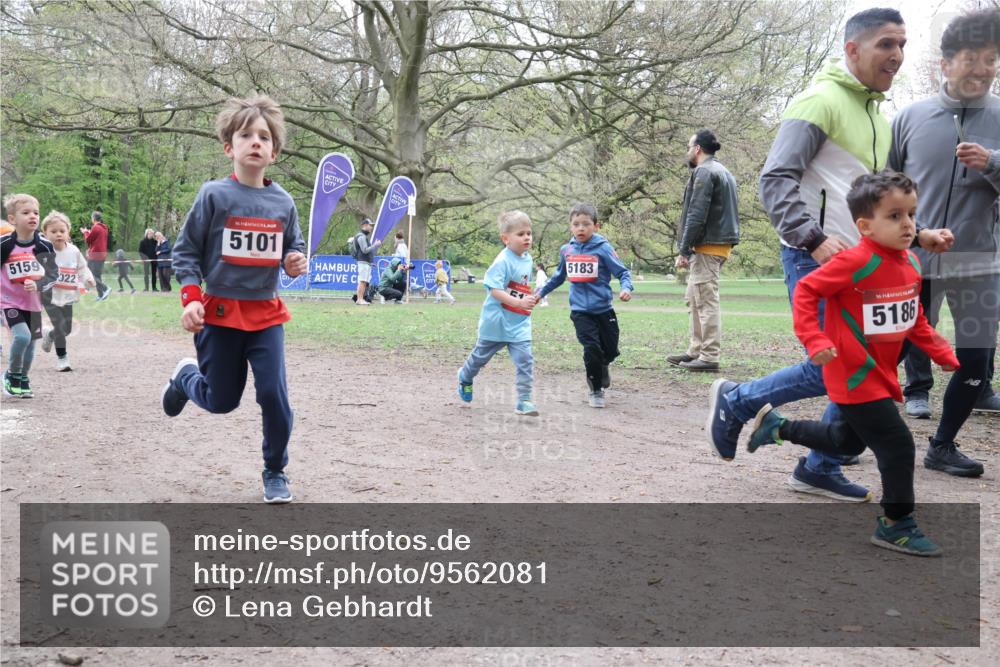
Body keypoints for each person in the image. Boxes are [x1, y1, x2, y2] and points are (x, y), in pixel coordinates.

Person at [706, 8, 951, 502]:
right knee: (831, 364)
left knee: (865, 364)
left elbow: (872, 200)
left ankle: (820, 465)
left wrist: (915, 232)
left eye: (902, 44)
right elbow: (776, 178)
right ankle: (738, 400)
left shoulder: (877, 114)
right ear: (853, 49)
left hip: (864, 264)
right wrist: (811, 238)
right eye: (886, 44)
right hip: (816, 258)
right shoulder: (820, 101)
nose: (897, 55)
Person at [738, 171, 959, 556]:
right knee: (897, 444)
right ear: (864, 225)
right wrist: (815, 338)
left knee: (845, 441)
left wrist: (940, 350)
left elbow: (913, 318)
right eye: (895, 216)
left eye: (911, 214)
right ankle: (897, 524)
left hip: (880, 373)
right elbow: (807, 290)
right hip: (852, 372)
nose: (908, 225)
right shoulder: (855, 261)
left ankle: (777, 427)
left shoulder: (909, 263)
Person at [160, 93, 308, 504]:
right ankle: (185, 377)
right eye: (246, 135)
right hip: (219, 313)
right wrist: (190, 298)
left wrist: (294, 263)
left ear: (274, 152)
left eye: (264, 136)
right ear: (230, 147)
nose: (256, 142)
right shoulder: (213, 196)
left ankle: (275, 470)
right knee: (222, 401)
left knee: (273, 395)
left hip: (266, 314)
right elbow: (185, 252)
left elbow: (291, 249)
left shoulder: (284, 202)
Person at [892, 9, 1000, 477]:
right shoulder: (910, 117)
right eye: (972, 57)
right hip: (911, 259)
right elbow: (885, 188)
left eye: (992, 59)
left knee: (975, 358)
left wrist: (992, 163)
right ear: (945, 64)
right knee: (886, 350)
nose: (983, 68)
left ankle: (943, 445)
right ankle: (845, 435)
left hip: (978, 261)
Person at [536, 202, 633, 408]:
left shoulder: (604, 248)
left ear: (596, 226)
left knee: (610, 350)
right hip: (580, 311)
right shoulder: (567, 250)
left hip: (604, 309)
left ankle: (603, 364)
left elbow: (623, 272)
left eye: (586, 224)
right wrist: (540, 293)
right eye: (576, 224)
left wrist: (626, 288)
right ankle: (595, 389)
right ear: (571, 226)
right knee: (591, 349)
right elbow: (558, 277)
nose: (581, 228)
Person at [668, 129, 740, 372]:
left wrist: (684, 249)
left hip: (708, 245)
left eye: (689, 147)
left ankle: (709, 356)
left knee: (706, 301)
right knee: (694, 298)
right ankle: (695, 350)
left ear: (697, 148)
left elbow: (696, 214)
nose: (688, 152)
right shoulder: (724, 172)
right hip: (717, 244)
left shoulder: (704, 172)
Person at [457, 210, 539, 416]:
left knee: (525, 360)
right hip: (496, 322)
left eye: (529, 233)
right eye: (521, 234)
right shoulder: (502, 261)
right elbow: (494, 289)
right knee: (479, 359)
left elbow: (520, 286)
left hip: (519, 323)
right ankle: (465, 376)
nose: (527, 237)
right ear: (505, 238)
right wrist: (518, 302)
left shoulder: (528, 260)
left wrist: (528, 299)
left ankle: (524, 400)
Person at [1, 193, 58, 397]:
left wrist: (38, 284)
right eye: (26, 213)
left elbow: (53, 274)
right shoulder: (4, 244)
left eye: (36, 212)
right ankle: (12, 374)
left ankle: (23, 378)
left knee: (31, 344)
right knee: (22, 337)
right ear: (12, 219)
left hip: (33, 303)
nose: (32, 216)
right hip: (9, 302)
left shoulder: (44, 245)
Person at [39, 211, 96, 371]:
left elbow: (82, 267)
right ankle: (62, 358)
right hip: (49, 294)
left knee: (67, 329)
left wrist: (88, 279)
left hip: (68, 294)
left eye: (62, 231)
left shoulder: (73, 251)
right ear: (45, 233)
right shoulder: (43, 251)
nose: (58, 234)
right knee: (60, 326)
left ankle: (49, 335)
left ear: (68, 232)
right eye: (54, 231)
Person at [81, 210, 111, 301]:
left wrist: (85, 232)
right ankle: (101, 295)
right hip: (102, 254)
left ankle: (105, 288)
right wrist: (90, 232)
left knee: (90, 274)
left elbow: (88, 241)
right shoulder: (104, 228)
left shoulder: (95, 227)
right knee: (97, 275)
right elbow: (96, 239)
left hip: (95, 255)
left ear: (93, 218)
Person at [353, 217, 380, 305]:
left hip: (365, 262)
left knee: (364, 281)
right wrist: (375, 245)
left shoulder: (363, 236)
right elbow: (364, 250)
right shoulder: (361, 237)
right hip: (363, 262)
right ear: (364, 225)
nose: (371, 227)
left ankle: (360, 299)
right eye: (370, 225)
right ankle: (360, 299)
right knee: (362, 281)